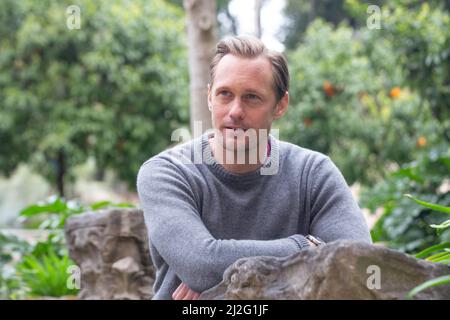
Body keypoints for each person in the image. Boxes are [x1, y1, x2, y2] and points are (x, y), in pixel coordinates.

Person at [136, 36, 372, 300]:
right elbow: (201, 266)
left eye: (252, 97)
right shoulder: (167, 173)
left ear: (280, 105)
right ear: (210, 97)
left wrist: (219, 276)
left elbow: (357, 262)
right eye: (225, 94)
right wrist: (306, 248)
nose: (236, 111)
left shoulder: (313, 174)